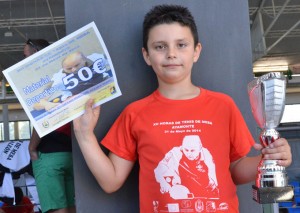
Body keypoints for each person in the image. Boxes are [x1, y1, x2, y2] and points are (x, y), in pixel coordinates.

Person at [73, 4, 292, 213]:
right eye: (160, 46)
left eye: (181, 45)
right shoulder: (135, 113)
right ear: (146, 55)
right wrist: (84, 135)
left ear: (196, 51)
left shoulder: (222, 105)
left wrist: (270, 160)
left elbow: (236, 170)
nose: (171, 54)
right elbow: (110, 181)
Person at [26, 39, 76, 213]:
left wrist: (32, 148)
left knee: (57, 208)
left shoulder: (40, 84)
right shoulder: (63, 76)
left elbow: (42, 119)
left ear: (36, 54)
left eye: (27, 55)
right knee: (71, 207)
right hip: (71, 152)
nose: (24, 60)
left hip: (48, 154)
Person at [32, 51, 110, 113]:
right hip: (80, 102)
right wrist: (47, 104)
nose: (73, 70)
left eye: (77, 65)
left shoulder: (96, 58)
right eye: (69, 68)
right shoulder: (60, 78)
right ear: (63, 68)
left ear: (84, 59)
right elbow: (36, 104)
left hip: (105, 92)